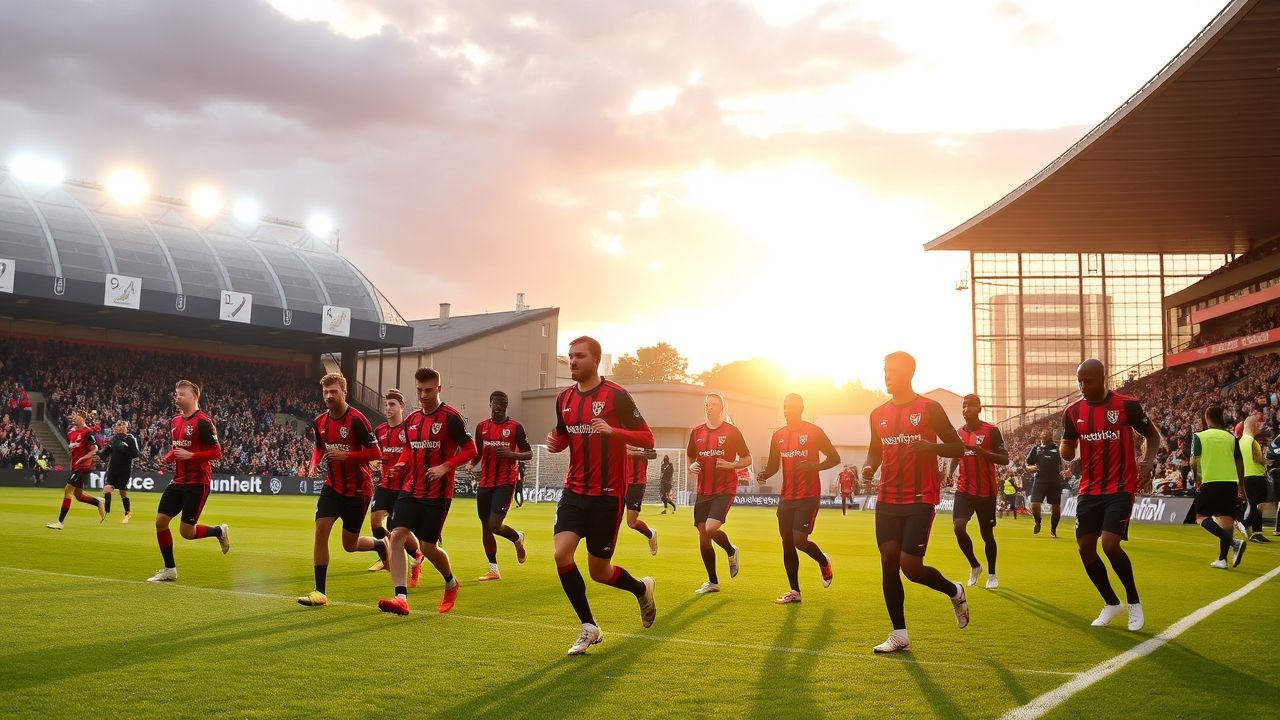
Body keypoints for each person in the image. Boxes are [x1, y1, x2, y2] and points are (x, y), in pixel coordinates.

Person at [545, 336, 656, 655]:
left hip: (608, 496)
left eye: (579, 356)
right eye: (569, 357)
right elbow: (563, 437)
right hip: (574, 490)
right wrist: (557, 444)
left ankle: (641, 588)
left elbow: (647, 438)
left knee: (600, 572)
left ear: (595, 360)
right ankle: (589, 626)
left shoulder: (617, 395)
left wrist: (614, 431)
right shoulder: (563, 398)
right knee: (561, 553)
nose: (572, 361)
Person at [863, 352, 968, 654]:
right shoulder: (877, 414)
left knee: (910, 566)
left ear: (908, 372)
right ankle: (899, 634)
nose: (887, 375)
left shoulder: (929, 408)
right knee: (888, 561)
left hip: (920, 496)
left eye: (892, 370)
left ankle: (954, 590)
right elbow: (874, 450)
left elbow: (957, 447)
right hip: (887, 497)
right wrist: (870, 467)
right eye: (884, 370)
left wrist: (931, 447)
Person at [1060, 358, 1161, 632]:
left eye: (1087, 380)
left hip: (1120, 486)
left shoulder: (1126, 404)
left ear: (1102, 378)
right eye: (1079, 380)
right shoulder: (1072, 412)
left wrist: (1147, 463)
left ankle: (1134, 602)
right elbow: (1067, 447)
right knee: (1085, 548)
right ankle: (1111, 603)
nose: (1082, 385)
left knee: (1110, 544)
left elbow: (1153, 436)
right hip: (1088, 489)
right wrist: (1066, 451)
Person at [377, 368, 477, 616]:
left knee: (429, 547)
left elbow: (470, 449)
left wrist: (445, 466)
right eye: (419, 390)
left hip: (438, 494)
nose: (423, 395)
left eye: (429, 390)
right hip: (411, 488)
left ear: (439, 389)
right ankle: (401, 597)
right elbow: (410, 449)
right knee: (396, 535)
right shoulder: (411, 420)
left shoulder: (451, 418)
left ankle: (451, 582)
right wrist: (401, 463)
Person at [297, 373, 387, 606]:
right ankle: (320, 592)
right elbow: (319, 447)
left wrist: (347, 455)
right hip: (332, 487)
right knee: (320, 531)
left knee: (350, 545)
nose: (328, 396)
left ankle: (379, 544)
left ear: (344, 392)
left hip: (358, 490)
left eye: (333, 391)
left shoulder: (358, 420)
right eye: (325, 392)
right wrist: (314, 463)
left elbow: (376, 454)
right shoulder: (320, 422)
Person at [758, 393, 840, 604]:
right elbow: (773, 464)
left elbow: (834, 458)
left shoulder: (813, 432)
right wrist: (765, 474)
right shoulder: (778, 436)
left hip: (808, 495)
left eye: (792, 407)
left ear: (801, 408)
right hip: (787, 497)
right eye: (785, 406)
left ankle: (823, 561)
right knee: (787, 543)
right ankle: (794, 591)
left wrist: (816, 466)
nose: (787, 411)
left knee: (799, 540)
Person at [146, 381, 230, 582]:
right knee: (160, 522)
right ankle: (169, 569)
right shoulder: (174, 421)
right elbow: (177, 448)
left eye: (181, 394)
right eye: (176, 393)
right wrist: (167, 458)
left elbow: (217, 452)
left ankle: (219, 531)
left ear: (195, 397)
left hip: (197, 483)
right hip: (178, 481)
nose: (177, 397)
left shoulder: (203, 421)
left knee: (186, 532)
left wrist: (191, 455)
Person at [687, 392, 750, 594]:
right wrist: (691, 467)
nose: (709, 407)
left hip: (724, 489)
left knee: (711, 529)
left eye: (713, 404)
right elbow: (690, 457)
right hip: (703, 491)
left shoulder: (732, 432)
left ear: (722, 408)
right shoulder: (696, 432)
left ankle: (731, 551)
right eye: (707, 404)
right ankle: (712, 582)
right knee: (703, 539)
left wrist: (731, 465)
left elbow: (747, 459)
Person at [945, 394, 1008, 590]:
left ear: (979, 408)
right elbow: (956, 455)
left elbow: (1005, 459)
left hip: (986, 492)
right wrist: (949, 472)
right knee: (958, 528)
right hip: (964, 489)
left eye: (970, 406)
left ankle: (992, 574)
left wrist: (981, 451)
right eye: (963, 406)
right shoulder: (958, 433)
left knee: (987, 535)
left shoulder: (992, 431)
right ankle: (974, 565)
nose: (966, 409)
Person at [470, 390, 531, 581]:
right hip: (485, 482)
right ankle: (493, 569)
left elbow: (529, 454)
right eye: (494, 403)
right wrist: (472, 463)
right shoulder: (481, 427)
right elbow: (479, 451)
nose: (498, 406)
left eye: (501, 403)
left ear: (506, 406)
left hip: (505, 482)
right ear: (490, 404)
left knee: (494, 525)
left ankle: (517, 537)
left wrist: (512, 455)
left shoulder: (515, 427)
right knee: (485, 526)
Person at [369, 390, 426, 582]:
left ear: (402, 406)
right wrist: (374, 461)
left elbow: (416, 454)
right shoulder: (380, 431)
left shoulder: (410, 429)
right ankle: (391, 555)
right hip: (385, 484)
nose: (388, 408)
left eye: (392, 404)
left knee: (398, 531)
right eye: (386, 404)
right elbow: (377, 453)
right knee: (376, 524)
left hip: (405, 487)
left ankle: (416, 556)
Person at [1190, 405, 1247, 569]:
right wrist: (1241, 484)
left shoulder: (1199, 436)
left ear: (1207, 418)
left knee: (1200, 516)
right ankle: (1222, 559)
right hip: (1230, 482)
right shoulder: (1231, 437)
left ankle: (1234, 543)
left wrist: (1196, 478)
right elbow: (1239, 462)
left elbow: (1194, 461)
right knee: (1227, 521)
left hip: (1211, 480)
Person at [46, 409, 105, 529]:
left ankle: (60, 522)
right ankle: (98, 502)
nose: (74, 418)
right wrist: (70, 447)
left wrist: (84, 458)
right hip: (75, 466)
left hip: (83, 466)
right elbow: (73, 447)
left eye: (76, 416)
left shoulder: (88, 432)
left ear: (83, 418)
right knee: (79, 496)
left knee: (68, 490)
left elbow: (94, 449)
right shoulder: (72, 432)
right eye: (73, 416)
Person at [99, 419, 141, 524]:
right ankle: (106, 513)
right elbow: (105, 454)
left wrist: (125, 449)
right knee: (107, 489)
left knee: (123, 493)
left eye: (121, 425)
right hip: (112, 469)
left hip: (124, 470)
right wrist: (99, 452)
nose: (119, 427)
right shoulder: (114, 439)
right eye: (118, 425)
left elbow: (136, 454)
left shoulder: (131, 439)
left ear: (126, 427)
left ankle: (127, 513)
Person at [1025, 429, 1064, 537]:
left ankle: (1053, 530)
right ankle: (1038, 521)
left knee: (1056, 507)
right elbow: (1027, 463)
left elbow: (1063, 463)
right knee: (1034, 505)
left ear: (1051, 437)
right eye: (1043, 435)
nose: (1045, 436)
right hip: (1039, 480)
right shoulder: (1036, 449)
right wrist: (1029, 468)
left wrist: (1064, 470)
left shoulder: (1057, 449)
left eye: (1048, 435)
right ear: (1041, 438)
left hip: (1055, 481)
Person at [1239, 416, 1270, 543]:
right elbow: (1257, 459)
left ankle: (1257, 533)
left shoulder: (1240, 441)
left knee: (1254, 505)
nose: (1259, 427)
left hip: (1247, 476)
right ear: (1251, 425)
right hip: (1257, 476)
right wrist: (1269, 460)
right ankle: (1244, 523)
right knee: (1258, 505)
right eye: (1257, 424)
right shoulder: (1251, 441)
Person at [624, 445, 659, 555]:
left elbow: (653, 454)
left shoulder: (643, 436)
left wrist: (636, 451)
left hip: (636, 484)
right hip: (617, 481)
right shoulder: (617, 433)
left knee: (632, 523)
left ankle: (651, 535)